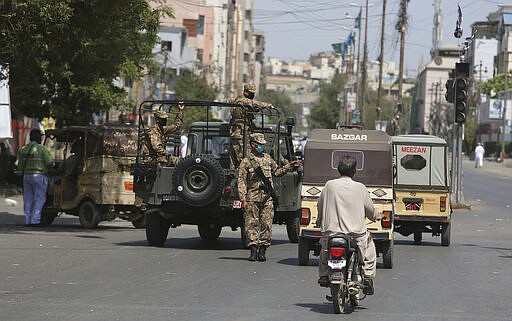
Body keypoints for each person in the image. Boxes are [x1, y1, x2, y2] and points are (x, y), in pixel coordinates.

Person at [316, 155, 381, 294]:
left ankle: (323, 274)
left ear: (339, 170)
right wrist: (377, 216)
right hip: (355, 235)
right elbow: (370, 211)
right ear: (353, 172)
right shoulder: (360, 188)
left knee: (324, 250)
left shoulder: (329, 185)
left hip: (331, 233)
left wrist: (319, 220)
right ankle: (368, 277)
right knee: (369, 249)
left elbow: (320, 205)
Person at [237, 133, 302, 262]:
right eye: (260, 144)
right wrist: (242, 199)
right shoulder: (246, 161)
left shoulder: (268, 158)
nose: (262, 147)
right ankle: (253, 249)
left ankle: (262, 250)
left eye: (263, 145)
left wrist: (289, 166)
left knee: (266, 224)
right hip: (252, 198)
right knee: (251, 224)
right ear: (253, 145)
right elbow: (241, 181)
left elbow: (277, 172)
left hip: (267, 198)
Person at [228, 84, 274, 169]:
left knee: (235, 159)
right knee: (243, 158)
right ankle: (240, 177)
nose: (252, 95)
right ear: (245, 92)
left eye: (253, 93)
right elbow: (254, 103)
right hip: (240, 133)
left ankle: (234, 176)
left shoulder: (239, 101)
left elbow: (252, 108)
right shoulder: (242, 100)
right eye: (251, 93)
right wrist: (267, 105)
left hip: (239, 132)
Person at [17, 129, 53, 226]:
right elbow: (50, 163)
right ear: (38, 138)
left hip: (26, 177)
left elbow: (19, 167)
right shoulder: (42, 149)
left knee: (28, 198)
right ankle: (35, 220)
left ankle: (28, 221)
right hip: (39, 176)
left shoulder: (23, 149)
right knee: (39, 198)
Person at [142, 102, 185, 166]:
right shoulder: (153, 131)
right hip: (150, 159)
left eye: (165, 119)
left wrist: (181, 111)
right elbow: (157, 148)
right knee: (172, 160)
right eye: (162, 119)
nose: (165, 120)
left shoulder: (162, 130)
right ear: (157, 120)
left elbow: (176, 126)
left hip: (157, 157)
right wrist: (168, 154)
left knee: (180, 161)